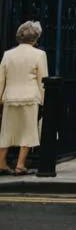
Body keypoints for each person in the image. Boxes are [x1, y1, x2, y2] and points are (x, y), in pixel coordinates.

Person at [0, 21, 47, 176]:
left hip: (10, 97)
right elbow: (43, 79)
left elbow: (2, 79)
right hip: (30, 97)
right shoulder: (39, 54)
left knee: (7, 131)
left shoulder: (8, 54)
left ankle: (2, 162)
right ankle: (20, 165)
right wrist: (44, 100)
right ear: (35, 39)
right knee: (28, 131)